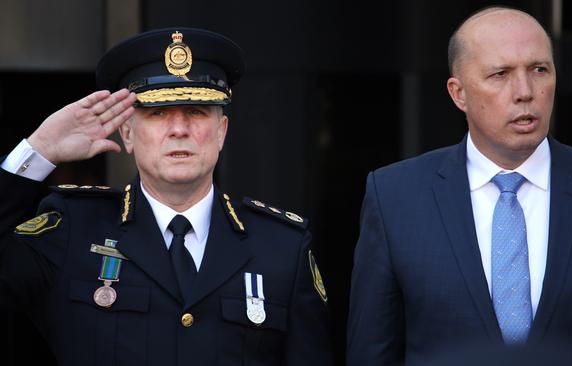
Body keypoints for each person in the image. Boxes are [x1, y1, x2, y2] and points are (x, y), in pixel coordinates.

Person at [0, 27, 332, 366]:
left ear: (222, 132)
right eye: (158, 113)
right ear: (127, 133)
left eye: (196, 111)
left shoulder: (282, 250)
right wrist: (37, 152)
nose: (179, 129)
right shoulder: (72, 231)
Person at [347, 6, 572, 366]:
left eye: (539, 70)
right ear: (458, 94)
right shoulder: (395, 196)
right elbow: (372, 351)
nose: (525, 91)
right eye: (500, 74)